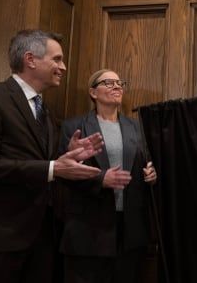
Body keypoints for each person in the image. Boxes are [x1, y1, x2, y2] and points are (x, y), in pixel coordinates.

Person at [0, 29, 104, 283]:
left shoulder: (44, 110)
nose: (64, 67)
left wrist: (68, 154)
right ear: (30, 59)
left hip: (41, 238)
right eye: (57, 59)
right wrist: (53, 168)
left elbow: (40, 160)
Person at [58, 69, 157, 283]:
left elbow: (147, 163)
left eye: (120, 82)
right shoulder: (73, 127)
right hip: (89, 229)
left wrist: (151, 173)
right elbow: (62, 175)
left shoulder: (136, 127)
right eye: (109, 82)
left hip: (130, 229)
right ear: (93, 92)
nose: (117, 86)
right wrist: (100, 178)